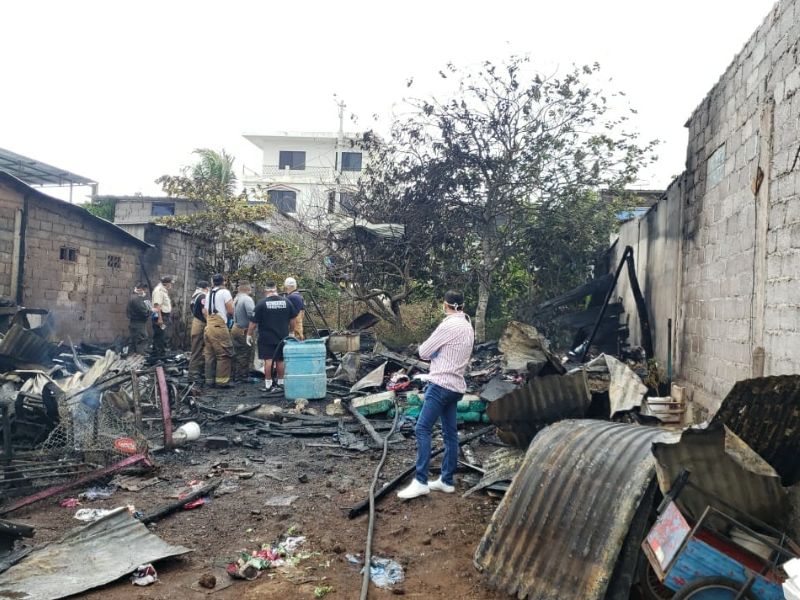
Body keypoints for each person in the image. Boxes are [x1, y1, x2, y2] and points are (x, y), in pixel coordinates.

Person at [397, 290, 474, 500]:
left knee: (422, 428)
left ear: (446, 304)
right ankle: (446, 480)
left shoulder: (448, 325)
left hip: (440, 385)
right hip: (456, 387)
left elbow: (423, 351)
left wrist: (434, 353)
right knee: (450, 434)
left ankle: (421, 481)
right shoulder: (467, 326)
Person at [247, 280, 298, 391]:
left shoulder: (261, 303)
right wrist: (292, 332)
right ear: (276, 290)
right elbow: (293, 318)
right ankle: (281, 383)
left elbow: (253, 322)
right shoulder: (286, 302)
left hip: (266, 337)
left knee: (268, 360)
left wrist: (249, 334)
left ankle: (268, 384)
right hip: (282, 336)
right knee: (280, 360)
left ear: (266, 291)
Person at [203, 274, 235, 388]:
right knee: (224, 354)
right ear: (224, 282)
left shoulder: (208, 293)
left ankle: (209, 380)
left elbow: (205, 311)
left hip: (209, 325)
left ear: (213, 282)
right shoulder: (225, 292)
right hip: (219, 325)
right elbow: (231, 309)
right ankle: (222, 382)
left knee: (209, 354)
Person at [231, 281, 255, 382]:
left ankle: (236, 375)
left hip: (235, 328)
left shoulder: (236, 298)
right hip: (244, 330)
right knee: (245, 352)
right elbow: (252, 316)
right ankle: (243, 376)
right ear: (247, 289)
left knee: (237, 352)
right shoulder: (247, 299)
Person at [188, 280, 209, 383]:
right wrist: (210, 322)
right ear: (206, 288)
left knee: (196, 349)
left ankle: (195, 373)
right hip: (200, 323)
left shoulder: (194, 296)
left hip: (196, 322)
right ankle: (194, 375)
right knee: (197, 350)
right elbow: (204, 311)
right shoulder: (202, 297)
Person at [151, 276, 174, 358]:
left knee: (163, 335)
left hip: (165, 316)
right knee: (161, 336)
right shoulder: (159, 291)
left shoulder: (163, 290)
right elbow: (157, 305)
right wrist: (160, 319)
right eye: (170, 283)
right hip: (161, 316)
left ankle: (159, 354)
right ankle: (159, 355)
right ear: (166, 283)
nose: (171, 285)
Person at [126, 283, 151, 354]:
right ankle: (140, 358)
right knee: (142, 339)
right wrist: (149, 311)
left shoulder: (132, 297)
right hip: (139, 324)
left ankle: (130, 357)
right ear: (141, 290)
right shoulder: (137, 299)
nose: (145, 293)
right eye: (145, 291)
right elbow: (144, 311)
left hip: (133, 322)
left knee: (133, 341)